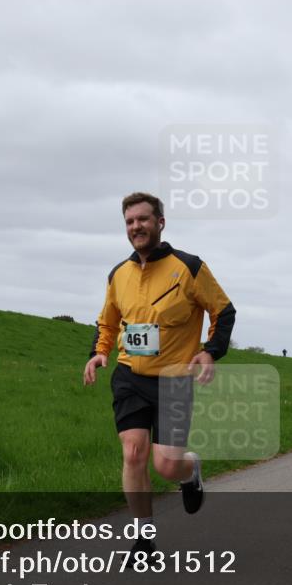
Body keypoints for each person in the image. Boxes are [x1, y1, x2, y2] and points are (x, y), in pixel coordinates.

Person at [83, 192, 236, 558]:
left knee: (166, 465)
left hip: (173, 380)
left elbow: (224, 311)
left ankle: (190, 470)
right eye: (130, 222)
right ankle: (143, 540)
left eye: (143, 219)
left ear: (160, 223)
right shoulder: (118, 274)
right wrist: (99, 353)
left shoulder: (189, 267)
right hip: (130, 376)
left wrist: (210, 351)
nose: (136, 226)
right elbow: (108, 320)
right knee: (133, 454)